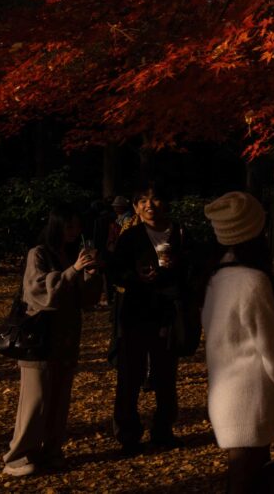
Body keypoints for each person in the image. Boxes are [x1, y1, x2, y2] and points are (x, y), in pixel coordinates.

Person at [202, 192, 274, 492]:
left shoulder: (214, 279)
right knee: (248, 479)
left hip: (223, 394)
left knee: (242, 477)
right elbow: (272, 348)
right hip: (252, 397)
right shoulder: (253, 280)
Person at [3, 206, 103, 477]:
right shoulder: (38, 254)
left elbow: (87, 299)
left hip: (66, 338)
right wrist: (73, 270)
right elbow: (38, 293)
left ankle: (52, 451)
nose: (74, 232)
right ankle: (17, 457)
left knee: (59, 399)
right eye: (69, 226)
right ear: (56, 226)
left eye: (77, 226)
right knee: (35, 400)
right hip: (39, 337)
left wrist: (91, 274)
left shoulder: (71, 254)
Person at [108, 183, 195, 455]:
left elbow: (194, 270)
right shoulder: (131, 237)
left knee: (166, 374)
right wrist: (137, 277)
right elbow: (114, 271)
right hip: (136, 312)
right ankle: (128, 436)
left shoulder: (181, 233)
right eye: (142, 201)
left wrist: (177, 268)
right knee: (130, 376)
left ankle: (163, 431)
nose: (149, 205)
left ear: (165, 203)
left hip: (169, 314)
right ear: (135, 207)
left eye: (154, 199)